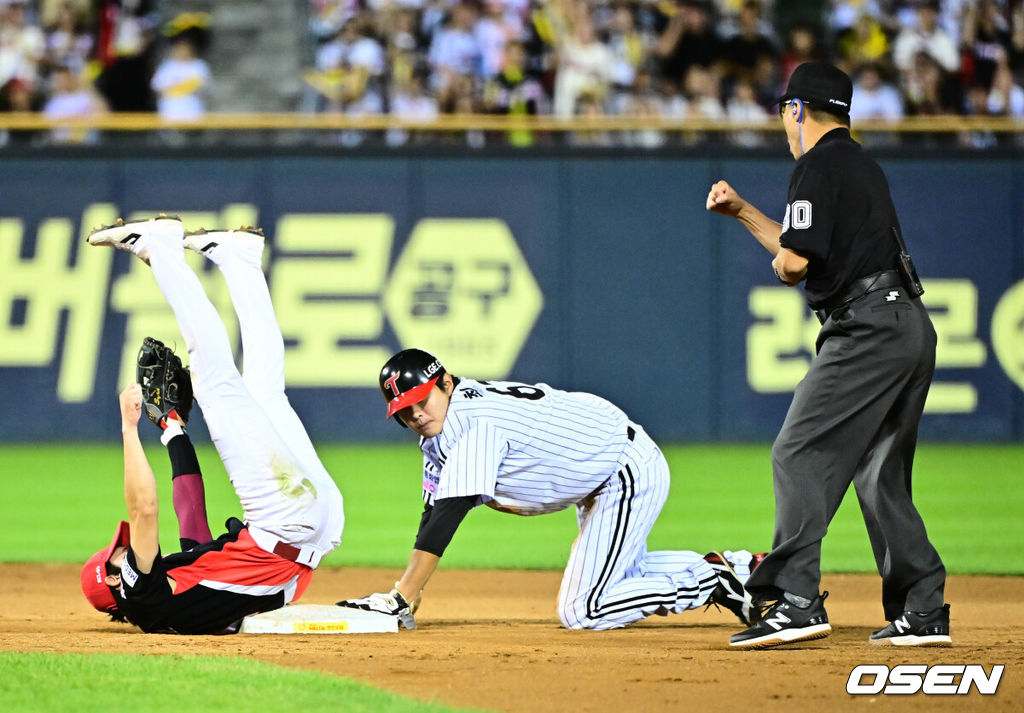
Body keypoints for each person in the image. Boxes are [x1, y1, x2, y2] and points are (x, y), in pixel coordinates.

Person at [705, 61, 949, 650]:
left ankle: (795, 600)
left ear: (796, 110)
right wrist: (743, 212)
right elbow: (801, 247)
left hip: (865, 327)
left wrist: (780, 253)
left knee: (797, 451)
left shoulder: (816, 165)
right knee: (878, 474)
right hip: (907, 325)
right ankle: (921, 609)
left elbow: (793, 264)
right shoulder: (858, 163)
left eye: (784, 112)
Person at [336, 348, 760, 631]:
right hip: (597, 471)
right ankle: (745, 568)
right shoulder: (439, 432)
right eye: (403, 411)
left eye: (421, 401)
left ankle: (709, 580)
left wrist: (403, 596)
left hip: (622, 469)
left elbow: (450, 513)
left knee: (583, 610)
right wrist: (411, 592)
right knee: (621, 573)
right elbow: (432, 511)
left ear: (445, 382)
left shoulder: (470, 419)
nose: (414, 415)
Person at [80, 216, 344, 634]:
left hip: (314, 530)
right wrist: (129, 431)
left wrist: (172, 428)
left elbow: (190, 508)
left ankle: (240, 263)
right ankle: (158, 247)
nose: (125, 549)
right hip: (283, 523)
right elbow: (145, 508)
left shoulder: (180, 589)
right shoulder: (143, 595)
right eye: (117, 556)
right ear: (115, 581)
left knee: (264, 393)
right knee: (213, 378)